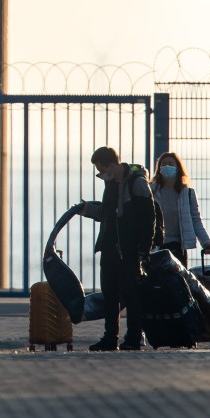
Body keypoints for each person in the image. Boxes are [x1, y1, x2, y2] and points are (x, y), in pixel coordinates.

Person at [79, 146, 158, 351]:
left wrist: (144, 250)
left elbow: (149, 219)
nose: (102, 174)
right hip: (109, 247)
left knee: (131, 294)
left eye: (102, 169)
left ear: (112, 165)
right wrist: (87, 210)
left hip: (129, 250)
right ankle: (110, 337)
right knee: (110, 294)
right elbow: (107, 213)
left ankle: (133, 337)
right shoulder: (111, 184)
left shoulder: (137, 183)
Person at [151, 151, 210, 268]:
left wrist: (206, 243)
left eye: (170, 164)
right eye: (163, 164)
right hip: (156, 247)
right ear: (159, 168)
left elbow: (196, 219)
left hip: (178, 247)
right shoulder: (151, 191)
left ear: (178, 168)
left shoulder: (188, 193)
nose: (166, 167)